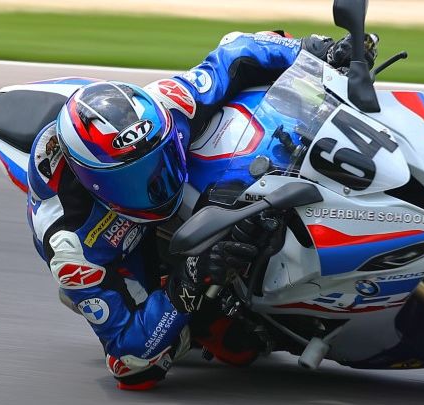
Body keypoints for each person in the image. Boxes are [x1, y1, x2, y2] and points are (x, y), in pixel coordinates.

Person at [26, 30, 378, 390]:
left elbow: (238, 51)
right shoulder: (73, 246)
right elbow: (127, 362)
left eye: (161, 158)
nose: (158, 185)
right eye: (133, 181)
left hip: (152, 158)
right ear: (93, 183)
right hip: (123, 252)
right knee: (232, 344)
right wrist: (190, 278)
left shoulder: (169, 104)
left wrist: (317, 50)